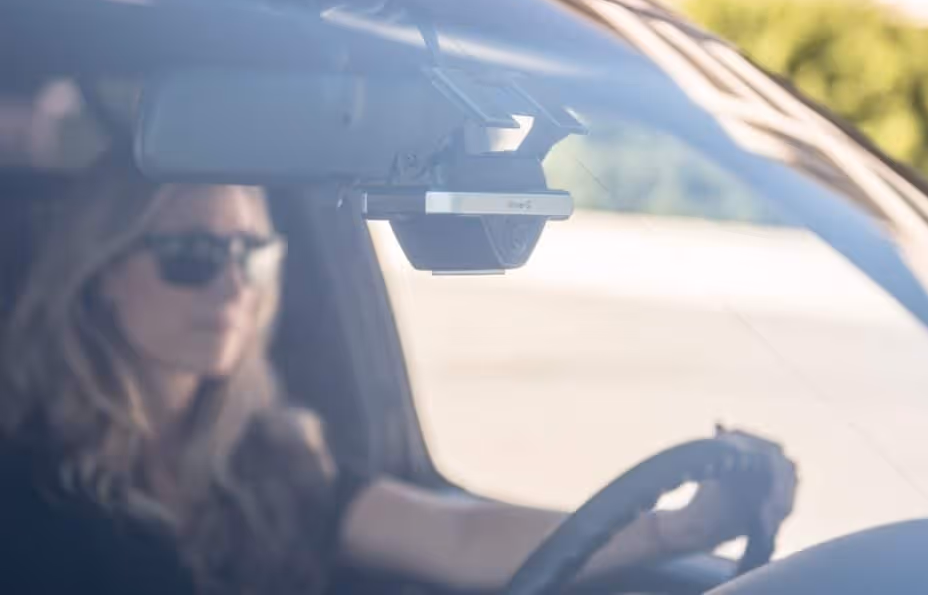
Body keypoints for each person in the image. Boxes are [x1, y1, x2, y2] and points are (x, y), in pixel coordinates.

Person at [0, 155, 798, 594]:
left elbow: (455, 535)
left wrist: (673, 530)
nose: (232, 285)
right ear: (101, 274)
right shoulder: (25, 478)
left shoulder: (270, 461)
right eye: (192, 255)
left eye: (251, 252)